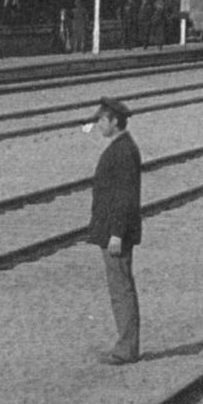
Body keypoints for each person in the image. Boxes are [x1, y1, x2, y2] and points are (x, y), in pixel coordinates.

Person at [85, 96, 143, 365]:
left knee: (121, 290)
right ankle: (126, 345)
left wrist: (117, 234)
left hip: (116, 234)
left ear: (114, 121)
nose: (98, 124)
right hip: (112, 231)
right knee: (120, 287)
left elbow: (124, 197)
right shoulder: (122, 148)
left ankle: (126, 348)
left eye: (102, 120)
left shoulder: (122, 152)